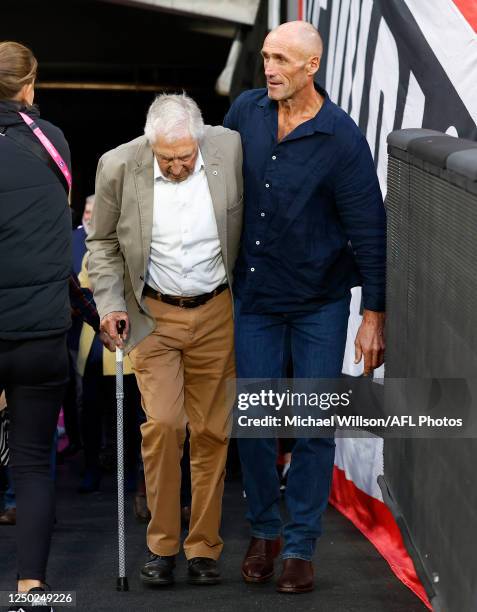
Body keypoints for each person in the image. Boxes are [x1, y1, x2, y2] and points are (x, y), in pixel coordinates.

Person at [224, 21, 386, 593]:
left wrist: (373, 314)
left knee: (314, 426)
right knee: (258, 424)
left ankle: (299, 547)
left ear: (311, 67)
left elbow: (369, 226)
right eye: (266, 57)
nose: (269, 68)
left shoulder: (341, 136)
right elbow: (216, 185)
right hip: (257, 299)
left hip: (319, 302)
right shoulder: (245, 111)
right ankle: (265, 533)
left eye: (282, 60)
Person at [86, 93, 243, 586]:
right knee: (166, 426)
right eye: (166, 157)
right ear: (150, 144)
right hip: (152, 313)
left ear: (199, 140)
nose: (176, 166)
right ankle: (162, 544)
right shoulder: (118, 165)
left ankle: (203, 547)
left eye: (184, 156)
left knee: (213, 431)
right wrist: (109, 303)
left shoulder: (230, 148)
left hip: (217, 310)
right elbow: (103, 242)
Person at [0, 40, 71, 608]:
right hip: (44, 330)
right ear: (29, 85)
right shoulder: (53, 144)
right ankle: (31, 588)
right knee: (32, 463)